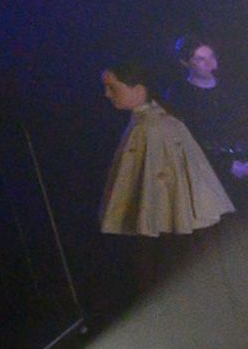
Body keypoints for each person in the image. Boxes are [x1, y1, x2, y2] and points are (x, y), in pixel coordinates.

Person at [98, 64, 235, 302]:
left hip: (168, 233)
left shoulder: (154, 127)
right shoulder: (145, 123)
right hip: (163, 231)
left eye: (112, 87)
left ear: (138, 89)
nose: (107, 94)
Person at [167, 34, 248, 191]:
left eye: (211, 56)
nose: (210, 63)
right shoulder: (179, 96)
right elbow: (185, 140)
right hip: (211, 175)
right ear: (186, 63)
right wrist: (225, 164)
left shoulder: (233, 89)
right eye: (200, 59)